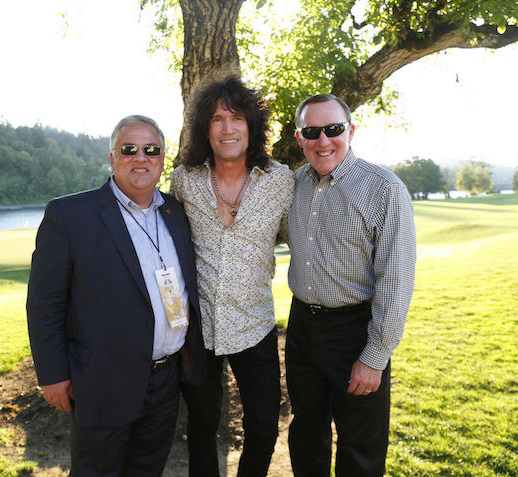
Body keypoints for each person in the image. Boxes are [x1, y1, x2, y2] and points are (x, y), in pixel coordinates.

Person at [26, 115, 206, 476]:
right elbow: (44, 304)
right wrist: (51, 374)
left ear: (162, 159)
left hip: (166, 379)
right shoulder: (70, 215)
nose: (141, 158)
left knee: (147, 470)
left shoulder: (177, 213)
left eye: (151, 150)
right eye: (129, 149)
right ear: (112, 158)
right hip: (102, 380)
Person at [285, 94, 416, 476]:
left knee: (361, 446)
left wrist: (374, 357)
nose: (323, 140)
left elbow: (396, 279)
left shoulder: (384, 189)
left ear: (351, 131)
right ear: (299, 138)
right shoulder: (294, 184)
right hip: (302, 328)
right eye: (312, 131)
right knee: (306, 434)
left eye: (334, 129)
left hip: (355, 330)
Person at [170, 77, 294, 476]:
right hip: (198, 329)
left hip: (254, 324)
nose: (227, 128)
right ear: (204, 129)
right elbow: (164, 249)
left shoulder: (281, 181)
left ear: (252, 125)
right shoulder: (184, 180)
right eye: (217, 119)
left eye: (237, 118)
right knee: (202, 427)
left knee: (263, 427)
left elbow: (306, 238)